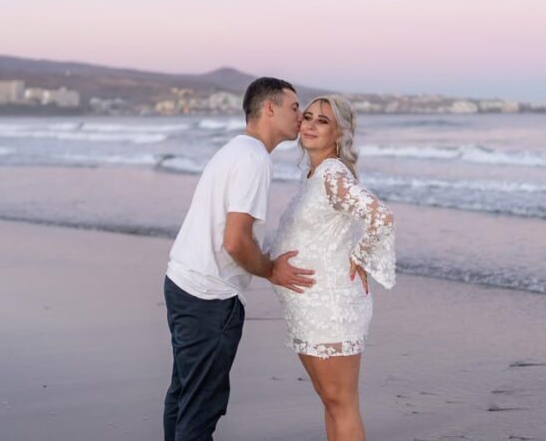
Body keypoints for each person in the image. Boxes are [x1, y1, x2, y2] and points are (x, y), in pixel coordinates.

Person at [163, 77, 316, 441]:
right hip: (208, 295)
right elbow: (235, 241)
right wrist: (271, 270)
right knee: (201, 407)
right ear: (269, 109)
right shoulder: (253, 160)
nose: (302, 115)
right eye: (295, 107)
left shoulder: (236, 150)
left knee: (184, 395)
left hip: (184, 282)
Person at [270, 94, 396, 441]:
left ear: (339, 133)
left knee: (341, 403)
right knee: (330, 401)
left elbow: (381, 217)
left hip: (331, 307)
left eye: (322, 121)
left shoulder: (332, 174)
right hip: (309, 308)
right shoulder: (314, 175)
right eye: (307, 117)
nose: (309, 124)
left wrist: (362, 256)